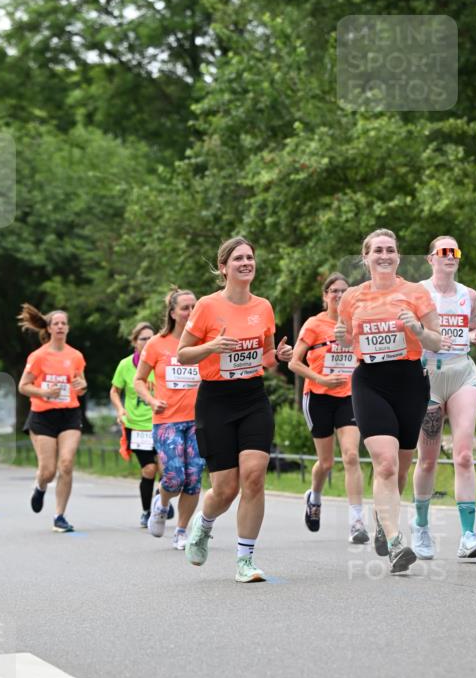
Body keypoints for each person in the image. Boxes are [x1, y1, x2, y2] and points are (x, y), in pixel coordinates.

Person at [177, 236, 292, 583]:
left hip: (252, 398)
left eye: (250, 258)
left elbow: (266, 355)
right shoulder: (208, 306)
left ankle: (245, 560)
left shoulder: (264, 307)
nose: (246, 263)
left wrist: (280, 357)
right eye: (238, 258)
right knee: (225, 489)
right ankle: (204, 523)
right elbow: (183, 353)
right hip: (215, 401)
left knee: (254, 477)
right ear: (224, 267)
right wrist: (212, 345)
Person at [335, 229, 442, 574]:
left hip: (410, 382)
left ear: (397, 256)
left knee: (400, 466)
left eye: (390, 250)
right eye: (377, 250)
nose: (384, 255)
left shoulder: (415, 293)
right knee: (385, 463)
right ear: (365, 258)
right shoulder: (351, 297)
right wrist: (342, 336)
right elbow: (346, 338)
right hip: (370, 382)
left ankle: (384, 521)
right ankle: (397, 543)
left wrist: (419, 331)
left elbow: (437, 342)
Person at [411, 236, 476, 559]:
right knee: (428, 459)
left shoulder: (468, 295)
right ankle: (421, 526)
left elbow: (473, 328)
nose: (450, 256)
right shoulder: (417, 293)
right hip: (428, 376)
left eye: (455, 251)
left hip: (461, 373)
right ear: (431, 259)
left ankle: (468, 535)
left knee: (464, 455)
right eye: (443, 251)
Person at [289, 273, 368, 544]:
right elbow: (294, 363)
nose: (339, 295)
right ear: (325, 296)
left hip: (348, 396)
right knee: (326, 462)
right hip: (319, 396)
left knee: (351, 456)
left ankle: (357, 521)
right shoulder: (314, 324)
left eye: (344, 291)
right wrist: (321, 378)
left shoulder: (357, 324)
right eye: (334, 291)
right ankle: (315, 497)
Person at [135, 288, 205, 550]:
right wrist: (152, 401)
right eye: (185, 307)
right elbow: (139, 380)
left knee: (194, 476)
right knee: (174, 477)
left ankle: (182, 531)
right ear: (173, 313)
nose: (190, 312)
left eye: (194, 307)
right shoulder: (156, 344)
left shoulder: (204, 342)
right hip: (167, 421)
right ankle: (162, 505)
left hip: (199, 420)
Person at [18, 304, 86, 532]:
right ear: (48, 328)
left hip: (69, 414)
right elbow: (23, 386)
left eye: (63, 323)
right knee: (48, 470)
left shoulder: (75, 356)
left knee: (66, 464)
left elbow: (81, 385)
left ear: (67, 328)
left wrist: (82, 385)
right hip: (42, 415)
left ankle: (59, 516)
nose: (60, 326)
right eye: (55, 323)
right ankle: (40, 486)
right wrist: (44, 392)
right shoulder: (38, 356)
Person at [110, 323, 160, 527]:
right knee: (149, 469)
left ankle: (162, 500)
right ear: (134, 342)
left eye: (151, 338)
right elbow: (114, 391)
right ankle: (147, 511)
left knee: (167, 471)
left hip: (162, 422)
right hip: (137, 426)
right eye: (143, 339)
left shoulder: (162, 363)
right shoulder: (125, 365)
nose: (148, 342)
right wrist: (120, 410)